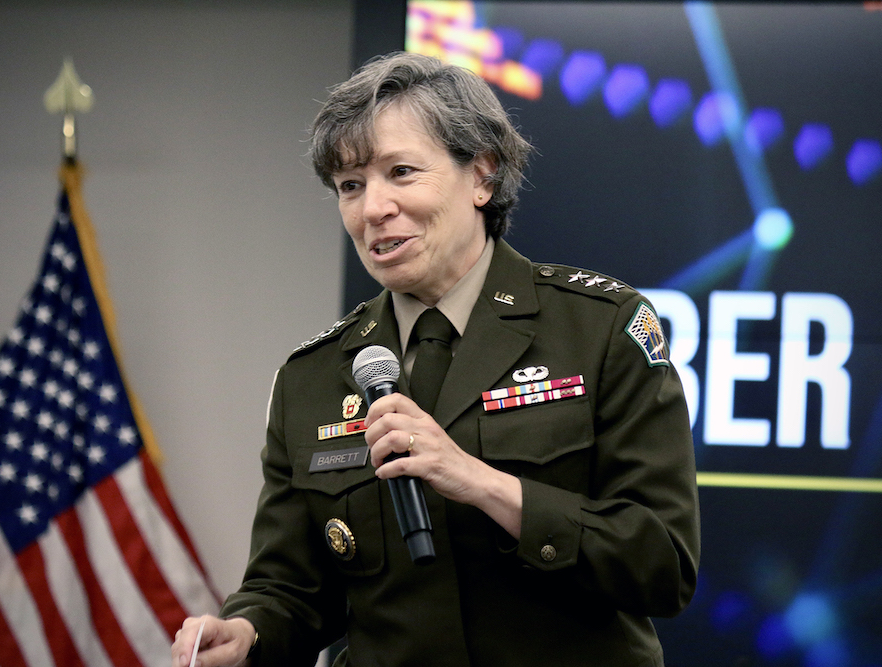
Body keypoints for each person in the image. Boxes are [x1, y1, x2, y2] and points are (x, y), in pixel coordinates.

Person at [172, 51, 700, 667]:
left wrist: (483, 484)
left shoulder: (599, 329)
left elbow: (663, 564)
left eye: (400, 172)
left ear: (482, 175)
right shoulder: (310, 377)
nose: (372, 209)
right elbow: (290, 587)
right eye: (350, 185)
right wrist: (249, 633)